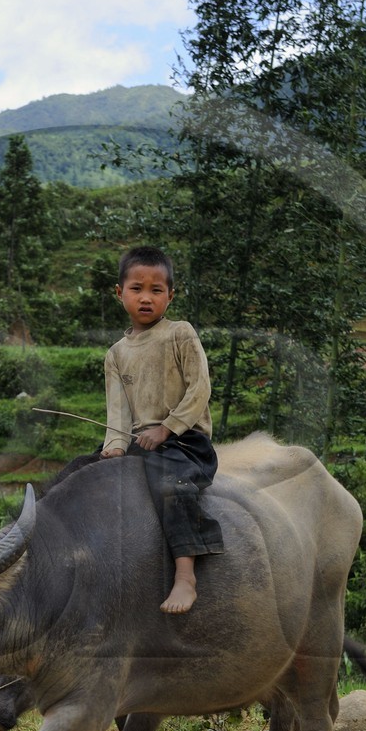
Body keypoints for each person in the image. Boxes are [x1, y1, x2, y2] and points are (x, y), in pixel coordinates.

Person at [101, 245, 224, 613]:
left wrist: (166, 429)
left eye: (157, 290)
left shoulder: (180, 334)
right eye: (137, 288)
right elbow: (117, 413)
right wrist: (115, 447)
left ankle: (185, 575)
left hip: (185, 441)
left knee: (172, 485)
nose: (146, 297)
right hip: (141, 442)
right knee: (82, 473)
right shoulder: (116, 354)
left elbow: (200, 388)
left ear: (170, 296)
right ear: (119, 292)